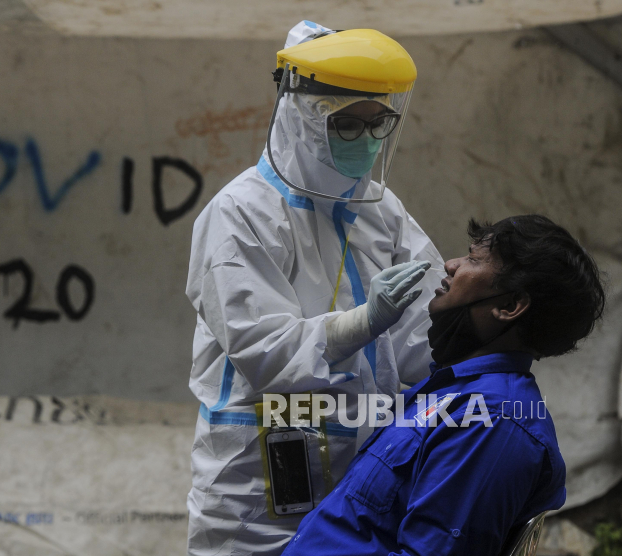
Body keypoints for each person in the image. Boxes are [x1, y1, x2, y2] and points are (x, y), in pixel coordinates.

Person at [185, 21, 444, 555]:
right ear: (302, 118)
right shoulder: (240, 215)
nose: (368, 140)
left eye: (380, 123)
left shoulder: (381, 211)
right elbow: (262, 351)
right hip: (257, 486)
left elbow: (429, 332)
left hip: (362, 482)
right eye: (348, 125)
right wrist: (364, 323)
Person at [281, 215, 606, 556]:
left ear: (509, 306)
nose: (451, 265)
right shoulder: (451, 394)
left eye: (474, 260)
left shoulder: (493, 423)